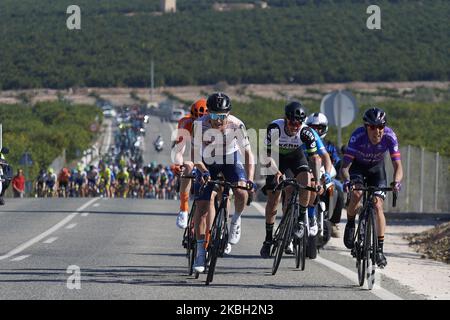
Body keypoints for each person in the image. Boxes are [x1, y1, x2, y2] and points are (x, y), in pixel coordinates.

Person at [192, 92, 255, 272]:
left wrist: (249, 180)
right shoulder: (199, 124)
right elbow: (195, 156)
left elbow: (249, 154)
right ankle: (200, 251)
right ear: (208, 113)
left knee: (241, 191)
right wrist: (203, 171)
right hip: (207, 162)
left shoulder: (237, 124)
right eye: (214, 116)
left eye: (222, 116)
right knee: (202, 205)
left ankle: (235, 220)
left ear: (228, 114)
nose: (218, 120)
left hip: (230, 160)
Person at [340, 107, 403, 268]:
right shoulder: (357, 136)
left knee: (377, 205)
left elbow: (398, 166)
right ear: (366, 127)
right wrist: (347, 181)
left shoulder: (390, 136)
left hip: (377, 170)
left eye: (381, 126)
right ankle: (350, 222)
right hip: (358, 168)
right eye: (373, 127)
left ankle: (379, 251)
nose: (377, 131)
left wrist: (396, 182)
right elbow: (345, 167)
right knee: (357, 194)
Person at [259, 101, 322, 258]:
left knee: (306, 179)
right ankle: (268, 239)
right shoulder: (275, 128)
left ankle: (300, 220)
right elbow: (266, 156)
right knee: (274, 197)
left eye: (299, 123)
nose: (295, 126)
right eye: (293, 122)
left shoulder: (306, 132)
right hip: (275, 159)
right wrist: (275, 172)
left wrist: (319, 181)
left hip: (295, 157)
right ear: (286, 119)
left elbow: (315, 158)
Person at [306, 112, 345, 238]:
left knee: (338, 190)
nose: (316, 130)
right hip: (307, 178)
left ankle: (333, 222)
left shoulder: (331, 146)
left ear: (325, 129)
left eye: (320, 128)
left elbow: (338, 163)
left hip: (327, 179)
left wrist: (332, 175)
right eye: (313, 128)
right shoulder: (303, 144)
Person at [173, 98, 208, 229]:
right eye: (195, 120)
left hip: (209, 157)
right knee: (187, 166)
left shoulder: (214, 124)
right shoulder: (185, 122)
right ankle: (183, 209)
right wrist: (178, 164)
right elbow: (179, 150)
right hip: (193, 157)